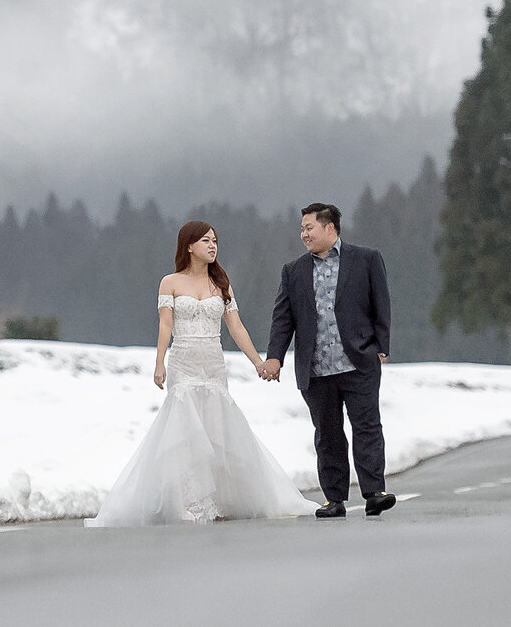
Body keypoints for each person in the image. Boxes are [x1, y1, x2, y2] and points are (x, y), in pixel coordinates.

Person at [88, 221, 312, 526]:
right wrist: (159, 362)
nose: (212, 246)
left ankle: (220, 498)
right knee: (185, 432)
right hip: (184, 363)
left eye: (215, 241)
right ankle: (189, 502)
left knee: (216, 429)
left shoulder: (221, 284)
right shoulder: (170, 282)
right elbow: (165, 325)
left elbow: (236, 327)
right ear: (189, 246)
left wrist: (258, 362)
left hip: (213, 364)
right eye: (206, 241)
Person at [261, 202, 395, 518]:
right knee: (327, 434)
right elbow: (283, 318)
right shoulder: (293, 272)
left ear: (329, 228)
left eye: (309, 227)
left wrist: (381, 346)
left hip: (359, 361)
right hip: (316, 367)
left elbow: (382, 304)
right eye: (302, 229)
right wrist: (275, 357)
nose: (303, 234)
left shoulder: (366, 259)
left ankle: (374, 492)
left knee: (367, 426)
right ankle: (334, 499)